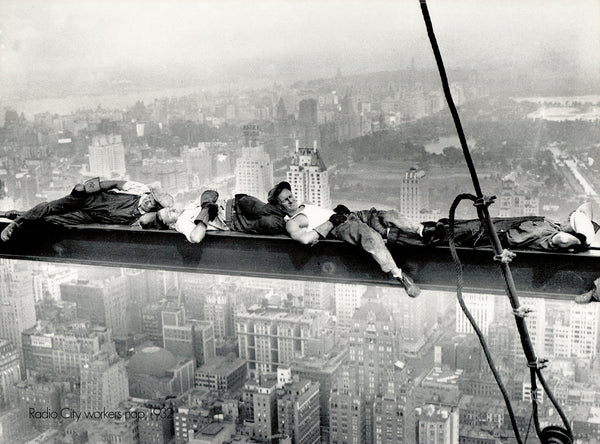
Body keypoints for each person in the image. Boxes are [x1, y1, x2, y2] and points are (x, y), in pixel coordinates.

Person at [267, 181, 421, 297]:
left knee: (389, 216)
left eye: (291, 196)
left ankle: (421, 230)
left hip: (352, 215)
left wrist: (335, 211)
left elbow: (321, 214)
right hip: (340, 226)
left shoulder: (306, 204)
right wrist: (332, 222)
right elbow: (305, 239)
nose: (291, 200)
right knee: (371, 237)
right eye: (286, 200)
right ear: (280, 207)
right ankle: (400, 276)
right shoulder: (292, 223)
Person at [0, 178, 174, 241]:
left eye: (152, 204)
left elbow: (149, 222)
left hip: (89, 215)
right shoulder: (138, 188)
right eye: (149, 198)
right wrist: (86, 187)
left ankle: (19, 216)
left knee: (51, 220)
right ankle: (15, 224)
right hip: (88, 199)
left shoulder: (143, 217)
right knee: (48, 207)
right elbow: (113, 183)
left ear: (156, 208)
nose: (147, 203)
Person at [383, 202, 598, 252]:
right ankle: (391, 230)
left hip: (488, 239)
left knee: (437, 237)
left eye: (572, 218)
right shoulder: (550, 223)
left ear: (572, 228)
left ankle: (390, 234)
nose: (568, 216)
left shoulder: (553, 236)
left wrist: (580, 241)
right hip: (487, 227)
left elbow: (562, 241)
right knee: (442, 228)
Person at [152, 190, 287, 243]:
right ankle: (296, 223)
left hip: (237, 203)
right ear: (170, 224)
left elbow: (211, 193)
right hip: (235, 220)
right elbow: (196, 237)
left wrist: (207, 202)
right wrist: (204, 215)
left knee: (269, 210)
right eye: (169, 214)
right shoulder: (181, 223)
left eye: (169, 209)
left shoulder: (188, 206)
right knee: (272, 222)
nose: (172, 210)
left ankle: (295, 216)